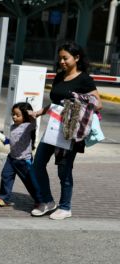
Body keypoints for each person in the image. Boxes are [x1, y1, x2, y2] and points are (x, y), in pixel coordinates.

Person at [30, 42, 102, 220]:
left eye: (65, 58)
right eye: (60, 58)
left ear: (76, 58)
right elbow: (56, 101)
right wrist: (41, 111)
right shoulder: (59, 77)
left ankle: (65, 206)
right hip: (53, 128)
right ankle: (47, 201)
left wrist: (77, 100)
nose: (61, 61)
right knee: (37, 165)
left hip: (71, 132)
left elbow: (98, 103)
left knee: (64, 170)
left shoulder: (84, 79)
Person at [0, 102, 42, 208]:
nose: (14, 117)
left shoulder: (28, 126)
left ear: (25, 116)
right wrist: (6, 140)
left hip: (24, 160)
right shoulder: (13, 126)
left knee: (29, 181)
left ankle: (40, 200)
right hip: (11, 158)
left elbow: (33, 123)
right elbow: (14, 140)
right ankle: (3, 198)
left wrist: (31, 114)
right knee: (6, 176)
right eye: (13, 114)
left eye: (17, 115)